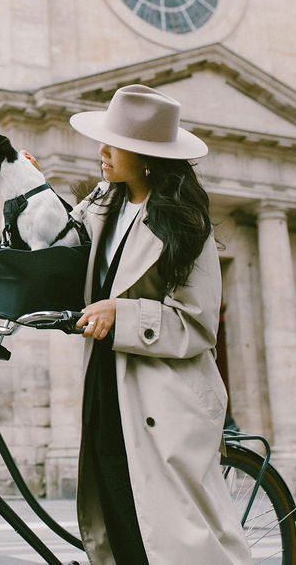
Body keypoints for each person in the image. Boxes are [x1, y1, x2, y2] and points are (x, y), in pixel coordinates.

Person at [67, 85, 251, 564]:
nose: (101, 152)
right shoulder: (101, 206)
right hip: (109, 380)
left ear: (146, 157)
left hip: (164, 397)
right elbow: (61, 252)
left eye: (114, 144)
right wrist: (19, 183)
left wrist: (120, 313)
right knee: (115, 508)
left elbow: (197, 324)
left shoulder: (187, 225)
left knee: (169, 533)